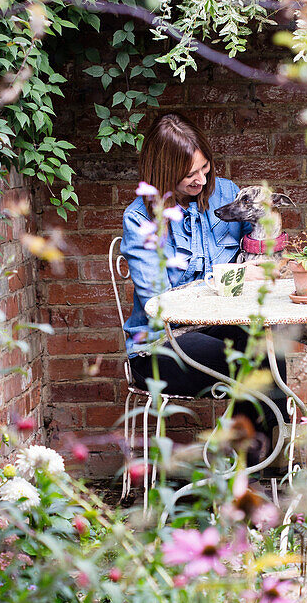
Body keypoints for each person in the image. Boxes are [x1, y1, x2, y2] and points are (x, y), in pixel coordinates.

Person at [120, 112, 286, 461]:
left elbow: (265, 253)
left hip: (222, 327)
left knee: (268, 348)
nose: (201, 179)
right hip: (162, 343)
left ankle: (248, 462)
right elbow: (159, 303)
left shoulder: (226, 193)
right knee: (249, 363)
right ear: (164, 174)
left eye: (204, 168)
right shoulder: (140, 219)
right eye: (188, 175)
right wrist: (230, 277)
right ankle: (252, 461)